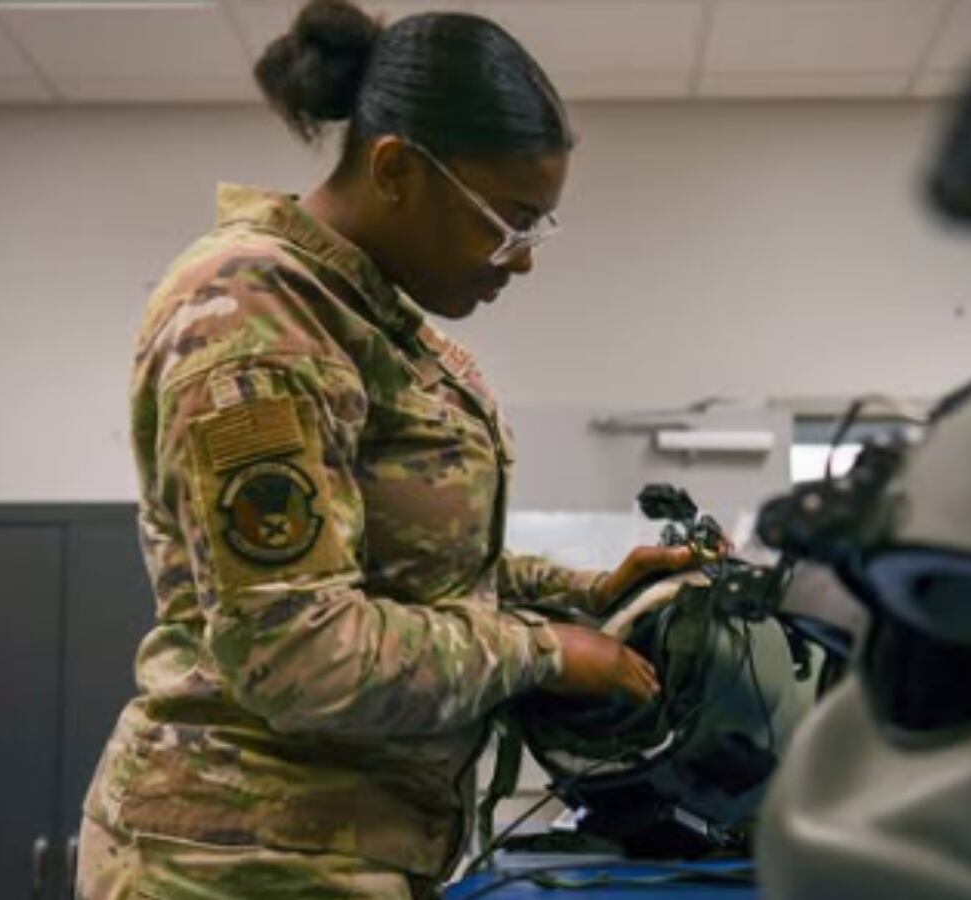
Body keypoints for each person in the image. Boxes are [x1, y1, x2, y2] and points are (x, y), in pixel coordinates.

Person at [76, 2, 694, 897]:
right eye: (510, 219)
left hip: (345, 846)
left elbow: (401, 567)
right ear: (398, 169)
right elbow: (297, 650)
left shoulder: (379, 322)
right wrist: (545, 652)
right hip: (234, 859)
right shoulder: (257, 314)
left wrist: (585, 597)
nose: (520, 260)